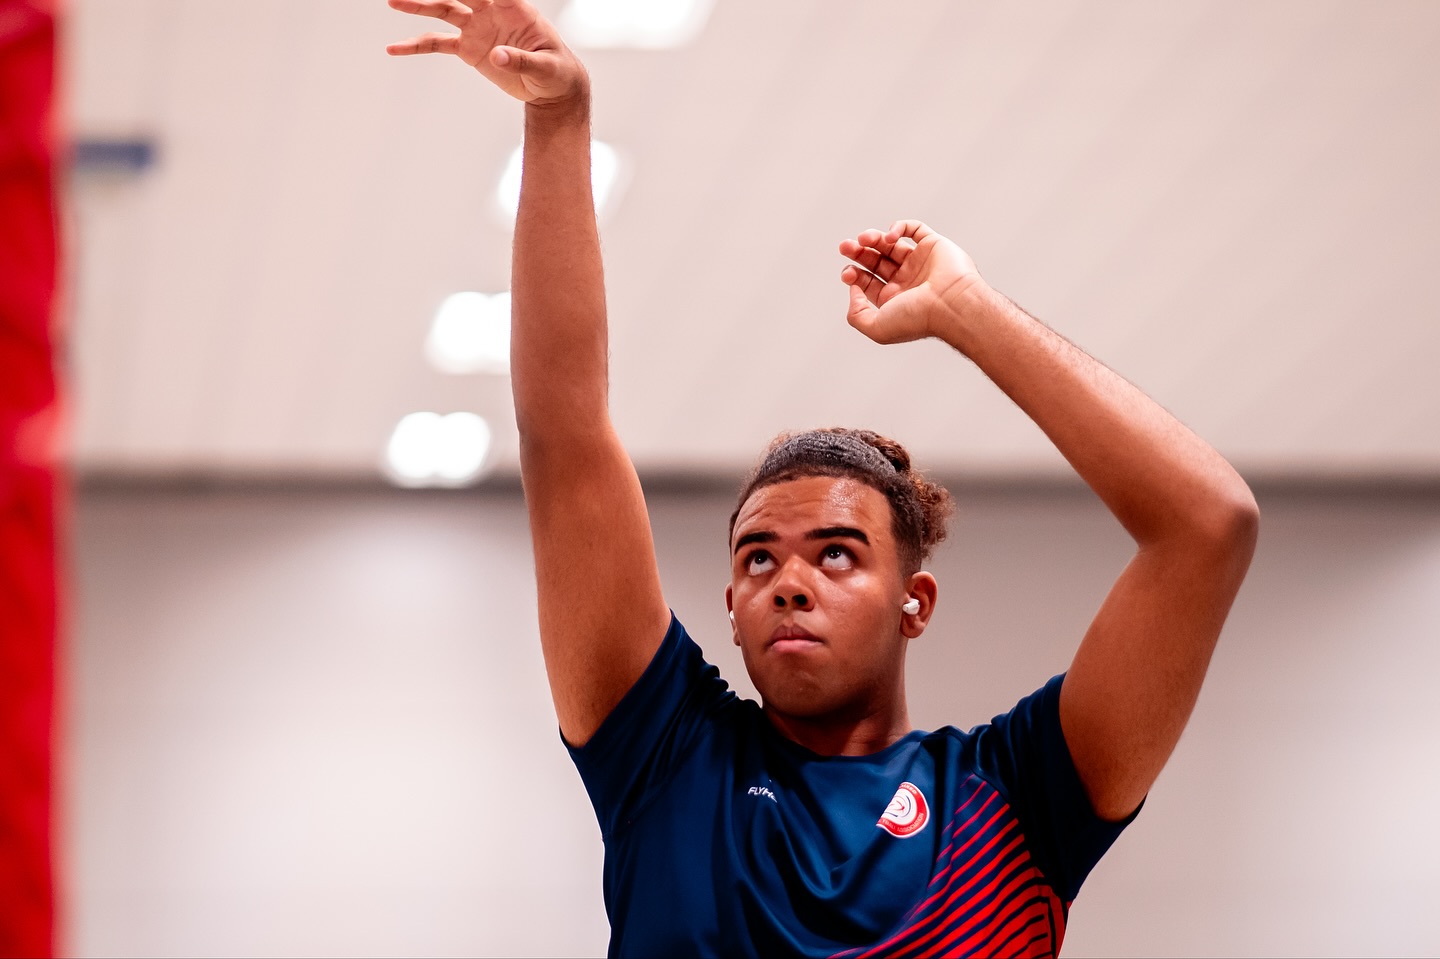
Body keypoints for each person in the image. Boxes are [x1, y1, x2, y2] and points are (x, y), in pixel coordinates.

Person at [386, 1, 1260, 956]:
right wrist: (558, 122)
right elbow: (563, 431)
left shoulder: (1018, 798)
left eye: (837, 554)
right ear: (729, 600)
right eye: (759, 560)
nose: (789, 581)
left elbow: (1206, 525)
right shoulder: (666, 758)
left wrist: (966, 308)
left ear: (913, 601)